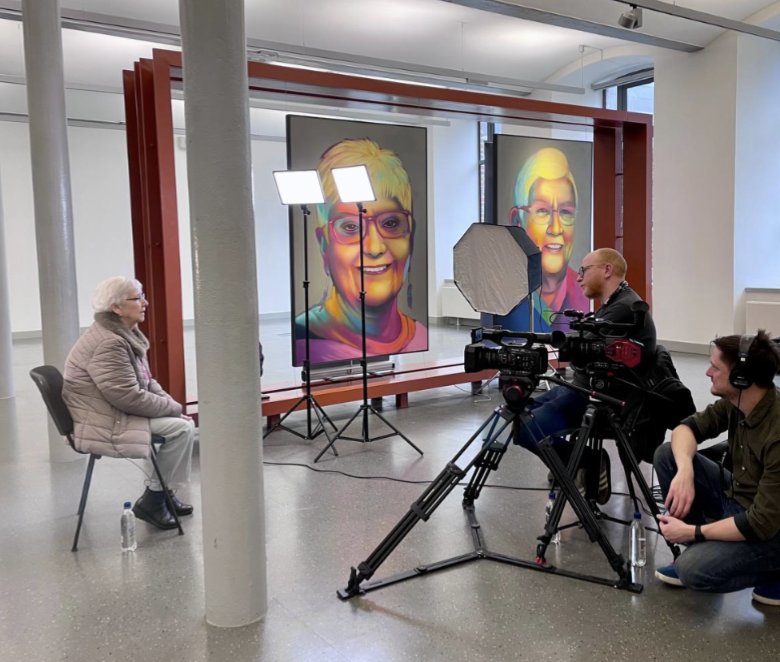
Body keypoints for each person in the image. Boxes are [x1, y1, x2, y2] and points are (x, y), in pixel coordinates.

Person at [653, 331, 780, 606]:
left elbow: (761, 522)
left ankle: (773, 568)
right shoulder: (736, 402)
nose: (708, 372)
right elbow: (684, 429)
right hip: (739, 501)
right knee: (668, 456)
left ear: (741, 377)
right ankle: (709, 549)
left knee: (692, 571)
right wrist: (685, 470)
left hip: (770, 529)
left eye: (716, 367)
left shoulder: (777, 429)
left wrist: (693, 532)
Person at [62, 277, 195, 530]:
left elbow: (146, 381)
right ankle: (155, 499)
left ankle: (163, 493)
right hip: (103, 419)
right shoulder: (109, 343)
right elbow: (128, 397)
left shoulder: (121, 333)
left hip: (110, 410)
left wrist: (172, 405)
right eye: (137, 298)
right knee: (181, 429)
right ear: (116, 308)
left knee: (178, 422)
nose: (145, 303)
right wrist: (175, 411)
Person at [514, 248, 656, 463]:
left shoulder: (623, 309)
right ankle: (573, 469)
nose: (579, 278)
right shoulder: (617, 303)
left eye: (584, 270)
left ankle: (589, 463)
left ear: (607, 270)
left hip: (602, 399)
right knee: (519, 415)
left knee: (526, 427)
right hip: (585, 388)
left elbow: (579, 350)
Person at [294, 138, 426, 364]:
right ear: (324, 245)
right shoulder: (306, 339)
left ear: (410, 236)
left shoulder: (418, 335)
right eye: (351, 227)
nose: (374, 248)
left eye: (391, 223)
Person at [502, 147, 590, 333]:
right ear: (517, 221)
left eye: (566, 212)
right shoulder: (503, 290)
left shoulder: (585, 293)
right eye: (542, 211)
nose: (556, 228)